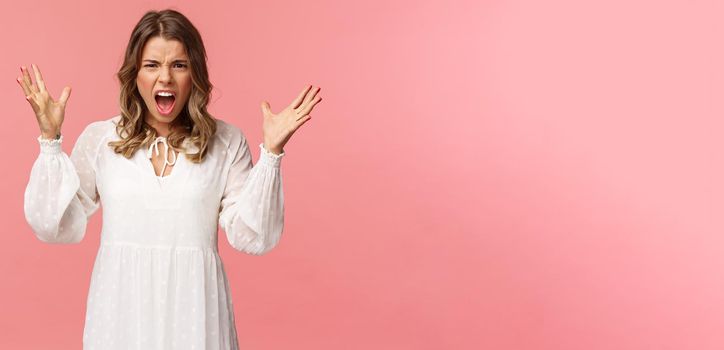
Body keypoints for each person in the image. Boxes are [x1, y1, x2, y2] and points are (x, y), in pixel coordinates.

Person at [18, 9, 321, 350]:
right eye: (152, 65)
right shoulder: (102, 140)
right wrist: (49, 140)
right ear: (135, 75)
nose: (165, 78)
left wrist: (271, 153)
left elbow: (253, 236)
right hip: (121, 316)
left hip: (196, 316)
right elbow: (54, 224)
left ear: (195, 74)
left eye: (179, 65)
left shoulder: (226, 142)